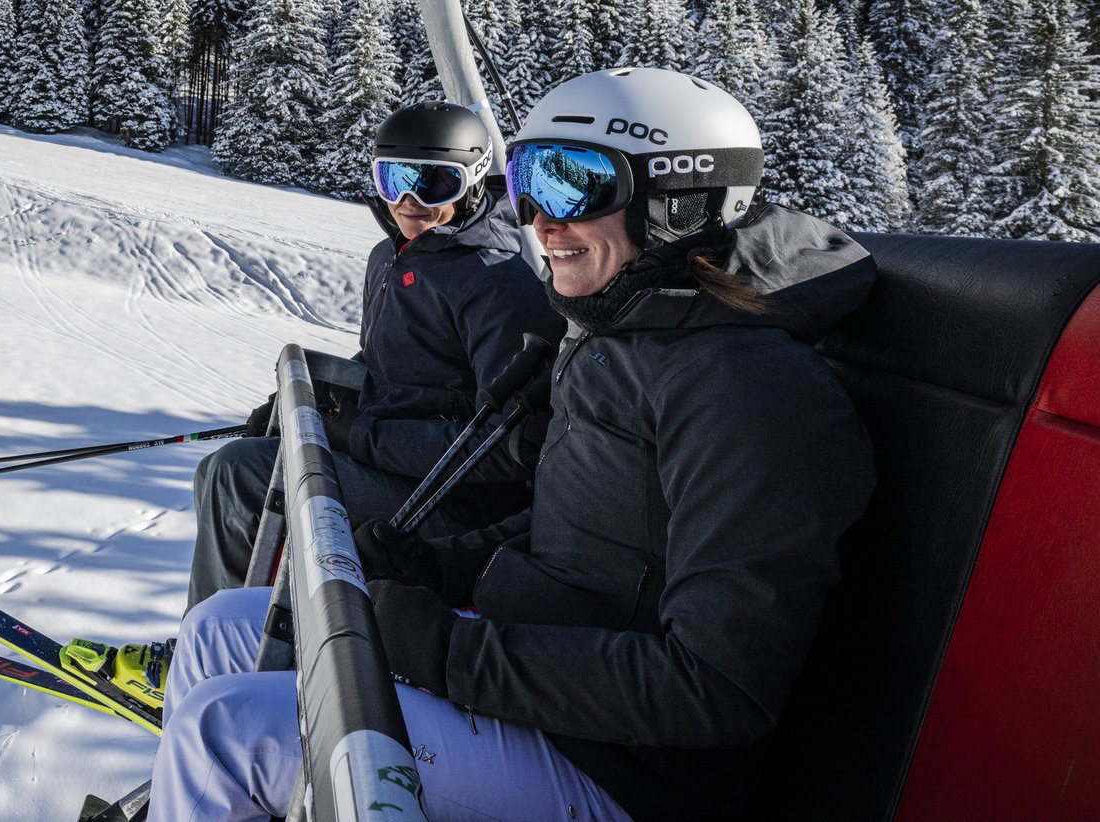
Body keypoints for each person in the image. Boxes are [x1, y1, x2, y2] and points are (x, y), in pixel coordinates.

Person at [151, 67, 879, 821]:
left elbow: (717, 690)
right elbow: (582, 528)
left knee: (231, 731)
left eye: (574, 186)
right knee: (221, 627)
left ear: (680, 202)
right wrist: (434, 563)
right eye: (528, 180)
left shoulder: (751, 390)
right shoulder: (625, 336)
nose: (538, 219)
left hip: (622, 770)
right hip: (543, 664)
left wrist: (441, 651)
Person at [185, 101, 564, 610]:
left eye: (434, 184)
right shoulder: (391, 256)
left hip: (454, 502)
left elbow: (504, 448)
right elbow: (385, 360)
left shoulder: (497, 285)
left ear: (473, 180)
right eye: (394, 179)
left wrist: (360, 435)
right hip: (393, 465)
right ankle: (229, 623)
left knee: (241, 474)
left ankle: (219, 643)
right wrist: (304, 400)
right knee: (228, 470)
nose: (409, 200)